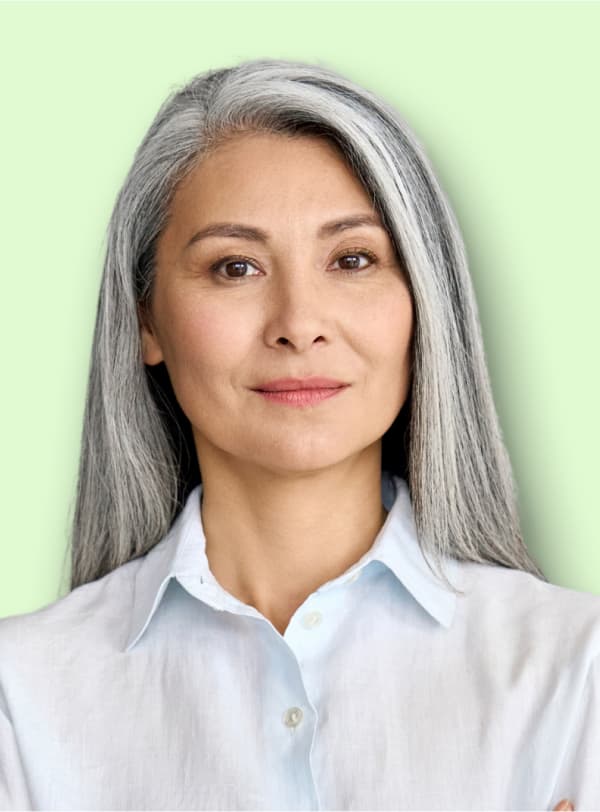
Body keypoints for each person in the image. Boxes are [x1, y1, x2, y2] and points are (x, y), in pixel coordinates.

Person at [0, 57, 594, 811]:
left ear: (423, 302)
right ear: (146, 318)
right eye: (235, 267)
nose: (299, 325)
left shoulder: (579, 670)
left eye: (352, 259)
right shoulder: (20, 696)